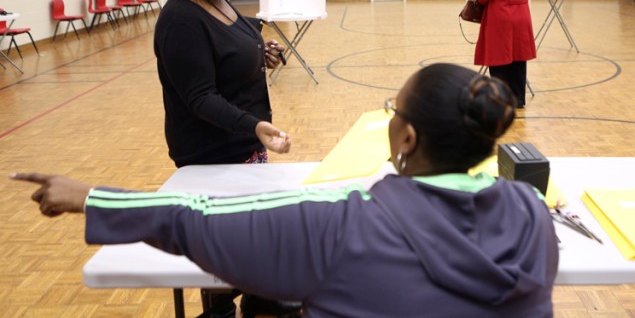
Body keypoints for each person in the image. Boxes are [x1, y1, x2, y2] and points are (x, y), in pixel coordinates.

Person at [12, 63, 559, 317]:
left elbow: (195, 219)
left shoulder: (340, 225)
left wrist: (92, 197)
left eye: (393, 110)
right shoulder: (531, 212)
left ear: (407, 137)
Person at [154, 0, 295, 317]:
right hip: (211, 155)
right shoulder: (181, 18)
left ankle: (257, 294)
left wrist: (258, 51)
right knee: (220, 250)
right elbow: (200, 96)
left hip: (243, 149)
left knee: (249, 240)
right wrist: (255, 126)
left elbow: (232, 40)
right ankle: (220, 307)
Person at [474, 0, 536, 108]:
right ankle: (519, 99)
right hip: (522, 18)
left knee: (499, 60)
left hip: (501, 20)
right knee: (519, 60)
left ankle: (500, 99)